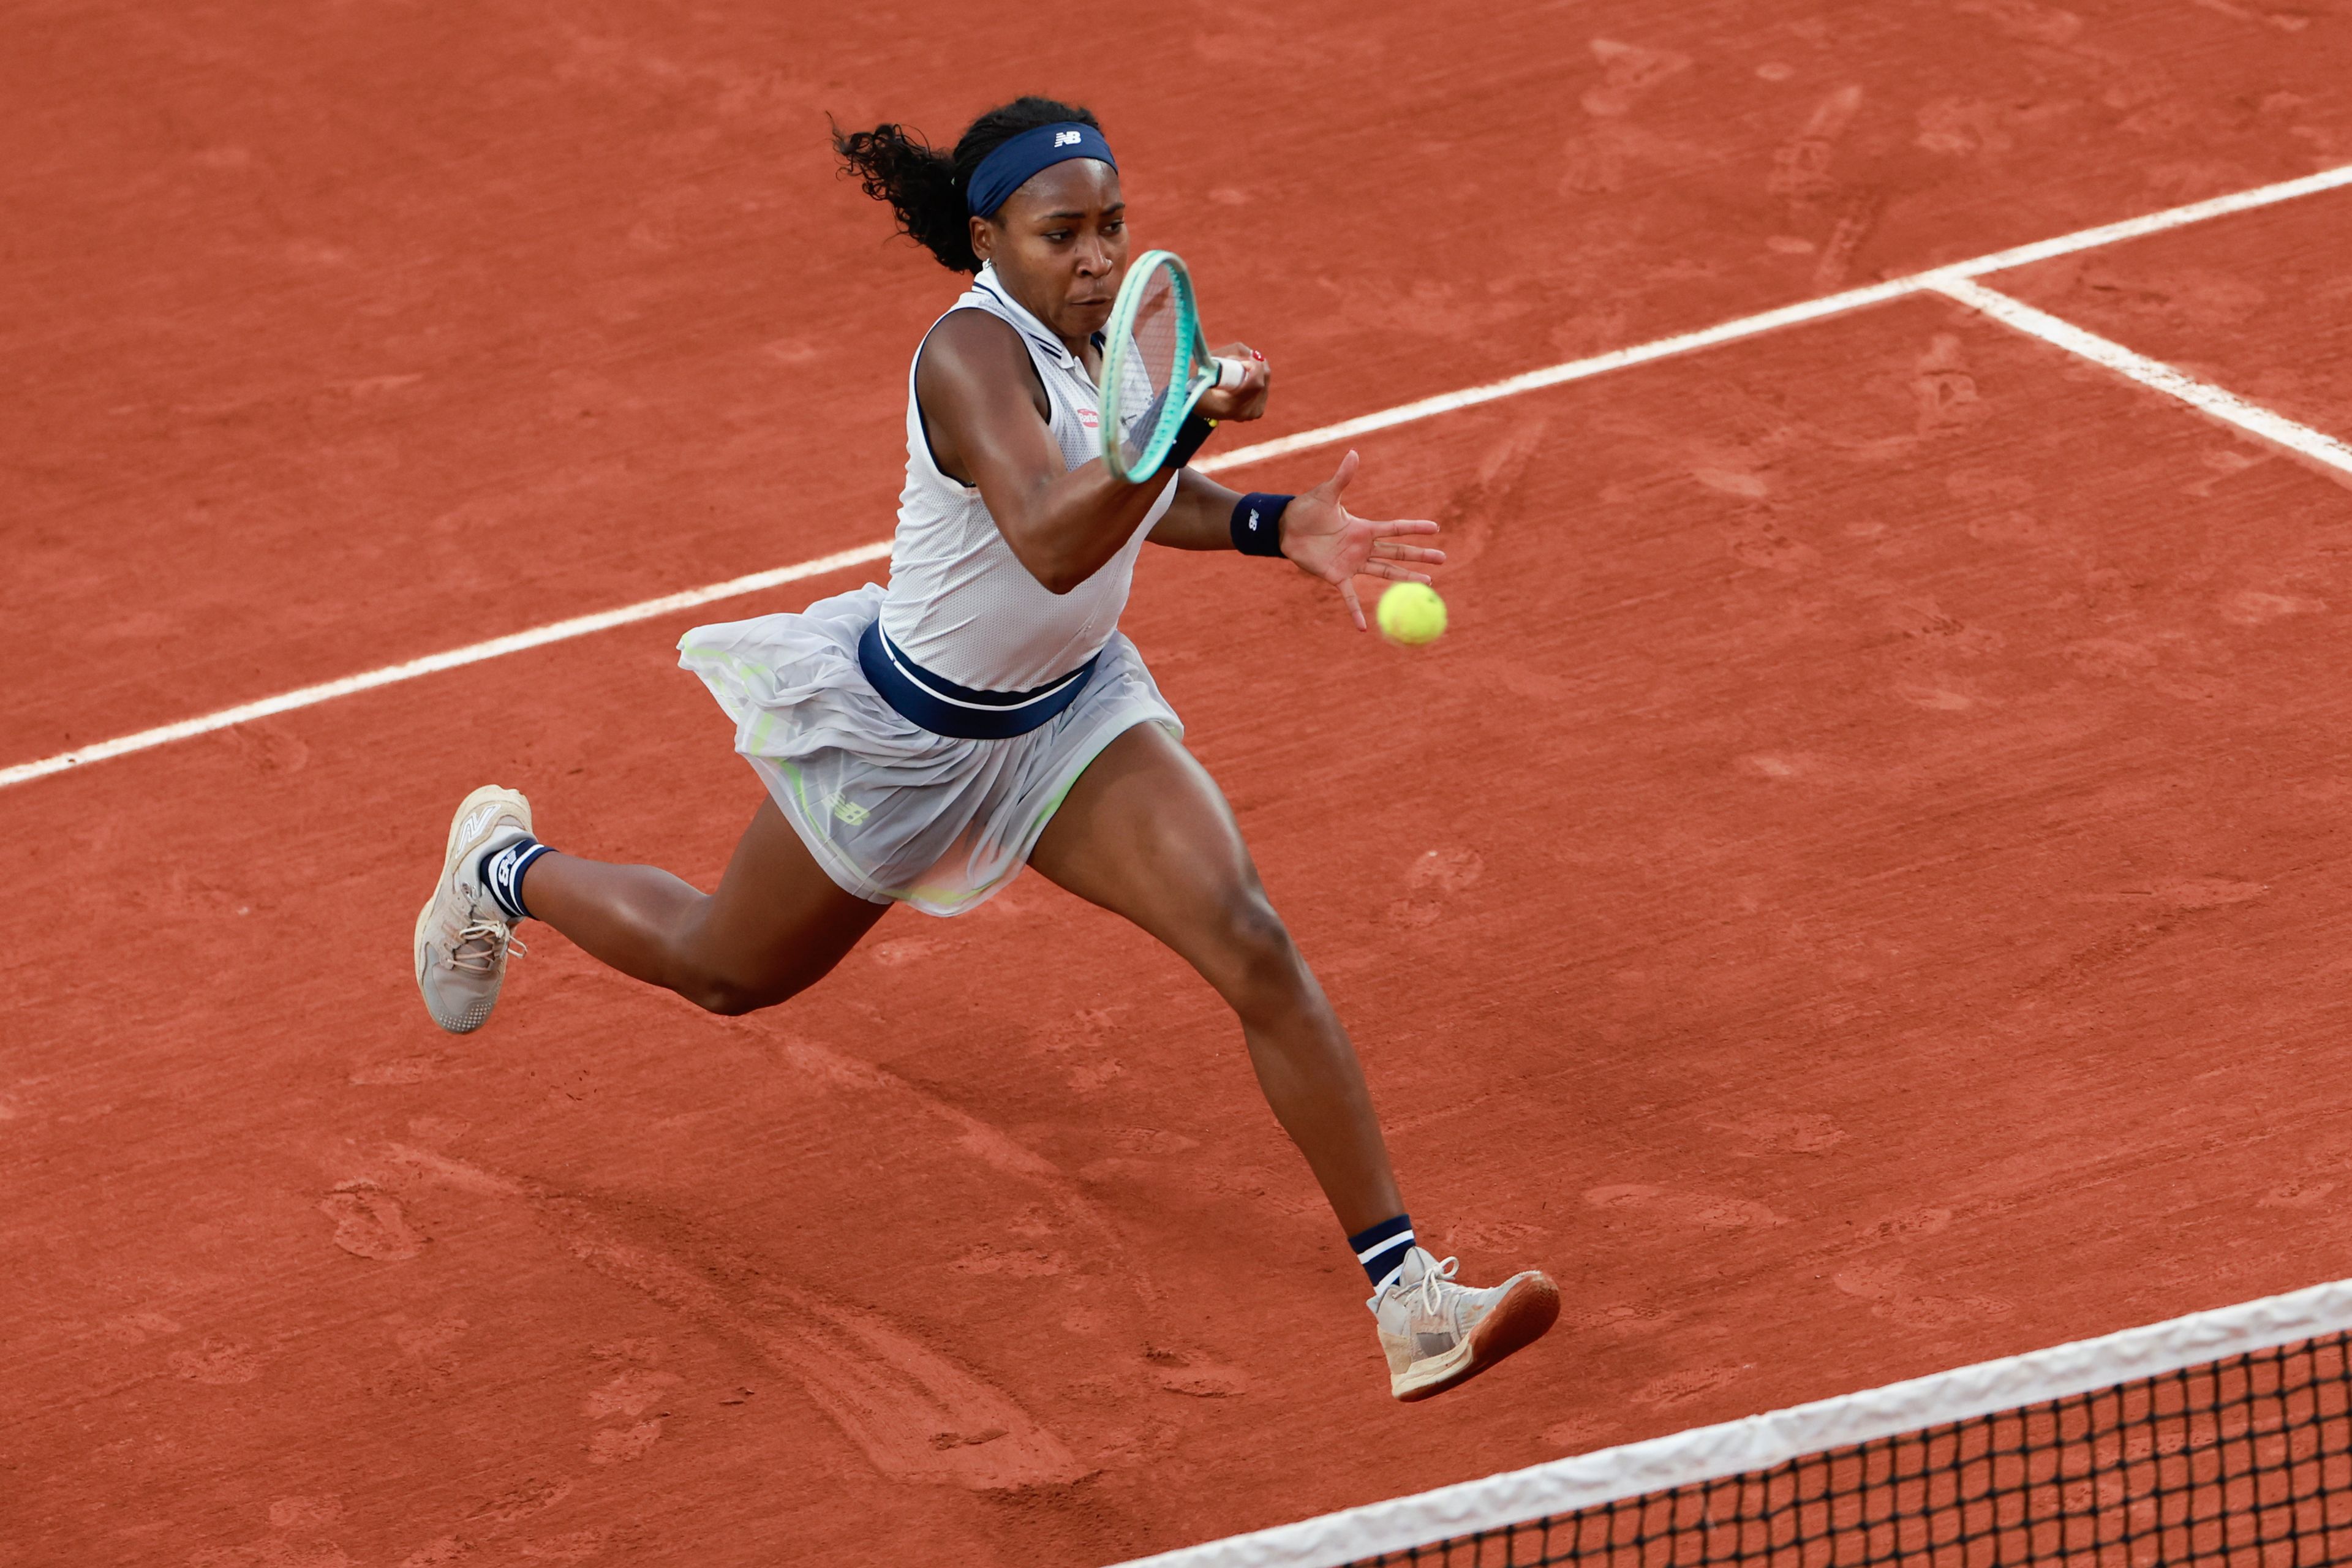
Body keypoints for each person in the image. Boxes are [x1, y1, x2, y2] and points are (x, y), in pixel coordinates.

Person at [412, 95, 1556, 1401]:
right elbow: (1059, 530)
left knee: (1250, 938)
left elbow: (1134, 481)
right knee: (723, 969)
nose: (1097, 258)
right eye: (1062, 233)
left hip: (1070, 716)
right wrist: (1183, 412)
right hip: (910, 739)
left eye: (1112, 227)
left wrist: (1276, 521)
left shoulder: (1093, 342)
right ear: (987, 240)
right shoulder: (967, 358)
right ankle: (503, 867)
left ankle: (1409, 1300)